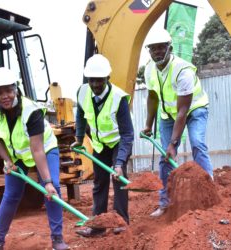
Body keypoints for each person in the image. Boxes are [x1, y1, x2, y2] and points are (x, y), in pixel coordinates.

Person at [0, 67, 69, 250]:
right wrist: (7, 160)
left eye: (8, 90)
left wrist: (46, 182)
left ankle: (57, 239)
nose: (5, 96)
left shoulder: (31, 111)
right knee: (10, 195)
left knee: (52, 189)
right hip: (18, 156)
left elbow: (37, 149)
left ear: (16, 89)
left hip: (45, 149)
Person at [142, 29, 213, 217]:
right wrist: (148, 125)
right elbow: (152, 97)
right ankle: (165, 202)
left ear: (169, 48)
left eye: (160, 48)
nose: (157, 52)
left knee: (197, 143)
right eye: (153, 48)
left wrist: (174, 143)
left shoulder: (183, 70)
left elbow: (183, 111)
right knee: (166, 158)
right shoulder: (149, 69)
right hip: (168, 115)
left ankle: (209, 192)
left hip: (194, 109)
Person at [71, 54, 134, 237]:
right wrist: (79, 137)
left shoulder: (119, 98)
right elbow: (81, 115)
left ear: (108, 78)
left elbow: (127, 134)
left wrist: (119, 163)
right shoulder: (82, 92)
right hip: (99, 145)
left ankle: (121, 222)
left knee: (118, 178)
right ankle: (97, 226)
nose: (95, 85)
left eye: (99, 80)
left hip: (118, 142)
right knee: (99, 182)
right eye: (92, 80)